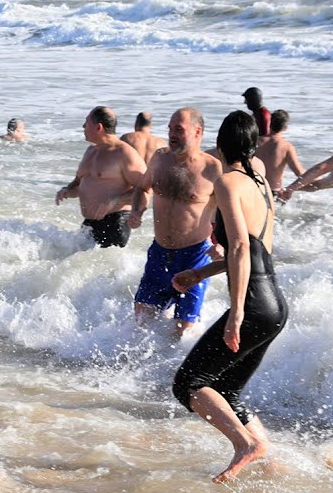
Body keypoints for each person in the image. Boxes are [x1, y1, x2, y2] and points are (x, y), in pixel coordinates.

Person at [171, 110, 288, 483]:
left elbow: (238, 247)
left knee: (188, 383)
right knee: (228, 390)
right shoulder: (261, 183)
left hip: (253, 305)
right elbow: (255, 253)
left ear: (219, 145)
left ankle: (245, 445)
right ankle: (269, 459)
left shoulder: (227, 182)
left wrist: (236, 312)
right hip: (275, 305)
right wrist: (200, 273)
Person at [128, 108, 224, 335]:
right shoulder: (159, 159)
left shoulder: (212, 168)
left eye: (179, 130)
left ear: (197, 131)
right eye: (170, 128)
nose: (172, 134)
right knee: (141, 322)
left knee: (182, 331)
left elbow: (226, 212)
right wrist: (137, 211)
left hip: (195, 257)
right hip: (159, 253)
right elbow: (142, 187)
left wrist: (221, 243)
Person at [55, 106, 146, 249]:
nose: (83, 126)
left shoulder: (124, 153)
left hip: (115, 223)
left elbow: (145, 188)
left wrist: (115, 200)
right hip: (89, 223)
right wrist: (67, 190)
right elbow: (80, 183)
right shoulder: (91, 150)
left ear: (98, 127)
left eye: (86, 122)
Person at [253, 109, 304, 194]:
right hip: (273, 193)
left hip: (255, 190)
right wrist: (318, 176)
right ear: (286, 128)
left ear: (269, 123)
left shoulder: (256, 142)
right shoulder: (286, 146)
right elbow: (299, 173)